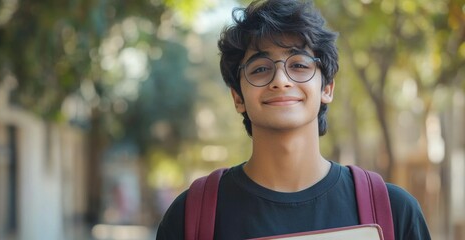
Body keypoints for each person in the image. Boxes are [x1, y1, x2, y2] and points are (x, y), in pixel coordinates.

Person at [156, 0, 431, 239]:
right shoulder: (190, 215)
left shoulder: (395, 212)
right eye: (261, 69)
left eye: (299, 65)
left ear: (327, 88)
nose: (281, 81)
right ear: (238, 97)